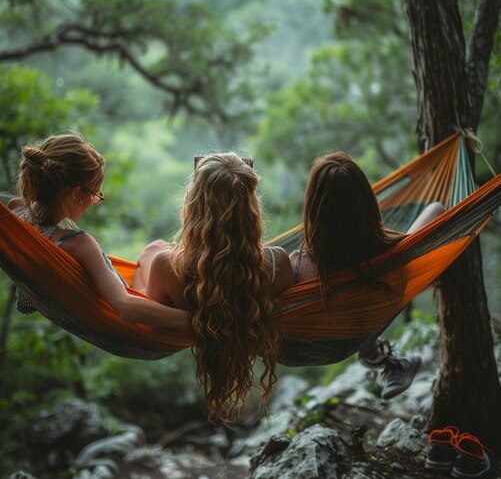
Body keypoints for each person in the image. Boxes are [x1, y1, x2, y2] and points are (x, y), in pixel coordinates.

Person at [139, 152, 295, 422]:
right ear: (251, 207)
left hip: (172, 277)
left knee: (154, 249)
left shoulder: (166, 267)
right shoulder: (277, 262)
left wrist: (151, 258)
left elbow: (146, 309)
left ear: (194, 204)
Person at [290, 151, 445, 400]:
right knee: (435, 212)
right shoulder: (394, 255)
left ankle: (389, 361)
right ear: (367, 202)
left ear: (312, 208)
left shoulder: (296, 267)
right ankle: (389, 361)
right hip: (368, 319)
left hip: (322, 344)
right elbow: (437, 209)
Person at [9, 133, 189, 331]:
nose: (94, 201)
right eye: (95, 194)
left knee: (155, 247)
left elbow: (26, 205)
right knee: (163, 259)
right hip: (143, 317)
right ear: (76, 194)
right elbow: (126, 308)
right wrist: (199, 323)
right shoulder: (79, 243)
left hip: (128, 293)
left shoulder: (15, 215)